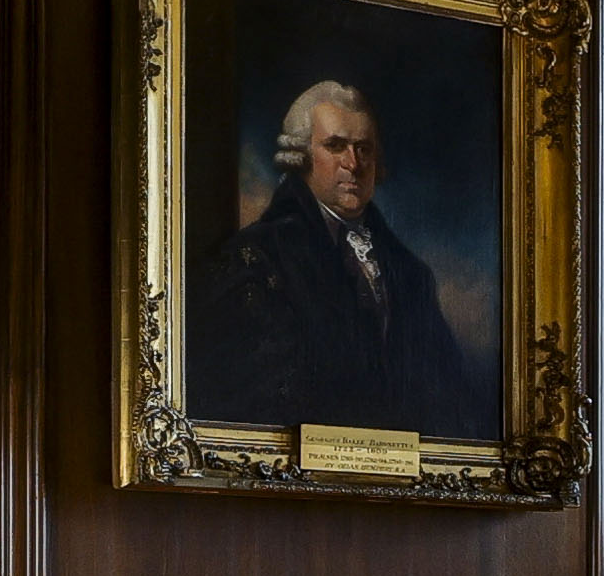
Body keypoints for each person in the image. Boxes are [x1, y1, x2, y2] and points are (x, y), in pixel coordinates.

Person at [208, 76, 491, 442]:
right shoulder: (256, 258)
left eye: (364, 149)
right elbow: (249, 397)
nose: (353, 163)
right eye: (336, 146)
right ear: (301, 155)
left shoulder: (410, 273)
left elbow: (447, 395)